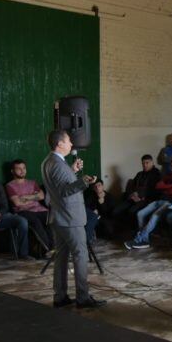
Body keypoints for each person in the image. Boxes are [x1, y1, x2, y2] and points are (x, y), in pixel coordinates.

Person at [41, 130, 104, 308]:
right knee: (80, 255)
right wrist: (84, 181)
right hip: (70, 218)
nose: (71, 144)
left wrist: (73, 171)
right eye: (68, 141)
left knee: (61, 258)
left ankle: (60, 296)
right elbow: (64, 191)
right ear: (60, 144)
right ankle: (83, 298)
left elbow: (61, 185)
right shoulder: (57, 164)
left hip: (58, 217)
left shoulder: (50, 161)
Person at [125, 158, 172, 250]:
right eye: (171, 166)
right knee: (140, 214)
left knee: (154, 216)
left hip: (170, 202)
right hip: (159, 200)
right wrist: (170, 186)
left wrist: (167, 186)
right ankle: (144, 239)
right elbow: (158, 185)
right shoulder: (170, 175)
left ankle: (140, 239)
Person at [6, 158, 52, 254]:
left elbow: (41, 196)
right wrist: (34, 197)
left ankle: (58, 248)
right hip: (23, 211)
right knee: (36, 222)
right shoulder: (10, 185)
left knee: (52, 218)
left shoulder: (32, 183)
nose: (22, 171)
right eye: (19, 168)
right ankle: (48, 250)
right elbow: (17, 203)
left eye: (24, 168)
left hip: (39, 209)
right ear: (12, 171)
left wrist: (25, 197)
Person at [113, 155, 162, 221]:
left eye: (147, 163)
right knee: (116, 210)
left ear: (152, 162)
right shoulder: (139, 174)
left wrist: (141, 197)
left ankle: (132, 230)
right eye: (143, 163)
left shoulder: (157, 174)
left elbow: (156, 191)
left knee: (132, 211)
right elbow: (132, 186)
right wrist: (132, 194)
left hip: (146, 199)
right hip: (133, 197)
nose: (144, 165)